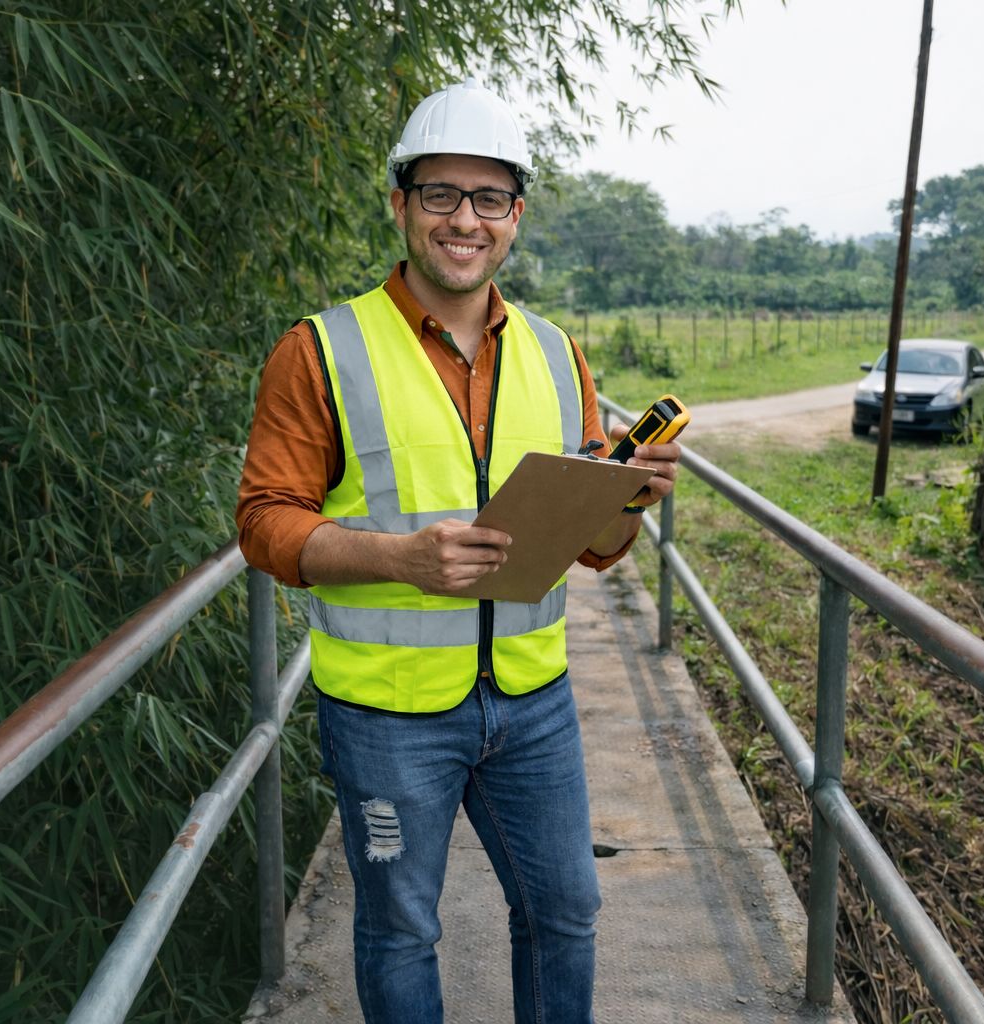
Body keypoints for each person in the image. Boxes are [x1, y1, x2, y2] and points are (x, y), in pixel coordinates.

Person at [236, 78, 682, 1024]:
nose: (464, 221)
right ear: (400, 205)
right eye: (440, 195)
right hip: (390, 716)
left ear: (515, 216)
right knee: (401, 928)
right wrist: (402, 561)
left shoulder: (559, 355)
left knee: (566, 912)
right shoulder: (319, 351)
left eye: (487, 199)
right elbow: (265, 524)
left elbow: (595, 549)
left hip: (533, 702)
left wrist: (627, 499)